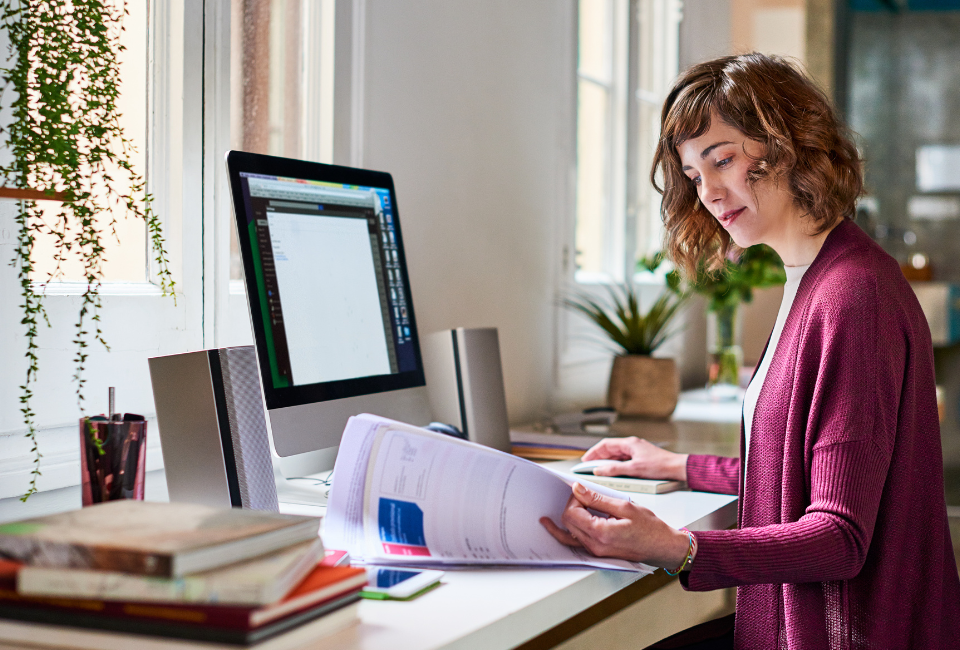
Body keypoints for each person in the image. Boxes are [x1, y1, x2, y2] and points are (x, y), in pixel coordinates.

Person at [541, 53, 960, 649]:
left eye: (724, 160)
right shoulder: (813, 275)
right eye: (692, 175)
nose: (708, 192)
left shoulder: (853, 296)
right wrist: (679, 466)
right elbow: (809, 470)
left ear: (787, 145)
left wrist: (675, 547)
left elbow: (839, 536)